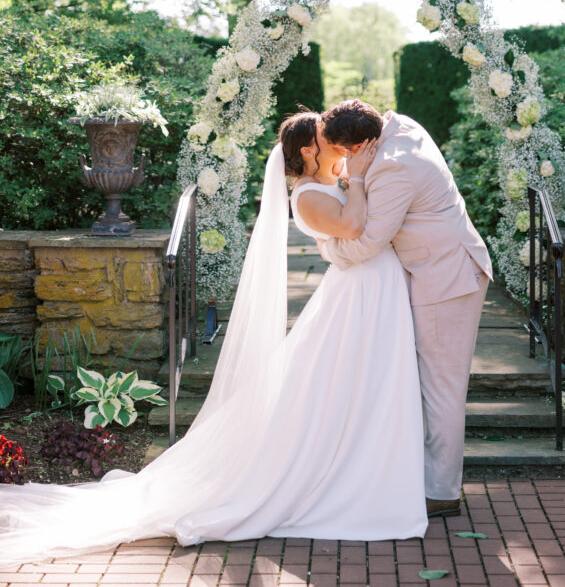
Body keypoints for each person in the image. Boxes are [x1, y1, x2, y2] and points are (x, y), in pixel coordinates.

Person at [0, 112, 427, 562]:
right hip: (357, 295)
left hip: (372, 290)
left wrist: (360, 171)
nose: (339, 144)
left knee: (369, 385)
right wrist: (357, 179)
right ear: (307, 150)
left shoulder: (338, 177)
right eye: (326, 137)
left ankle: (368, 475)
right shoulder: (306, 197)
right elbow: (356, 226)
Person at [318, 100, 493, 518]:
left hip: (446, 279)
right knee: (423, 381)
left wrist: (326, 244)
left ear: (359, 146)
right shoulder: (399, 124)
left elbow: (368, 242)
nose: (339, 159)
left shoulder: (394, 167)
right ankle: (416, 473)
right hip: (436, 268)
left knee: (442, 386)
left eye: (341, 151)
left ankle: (442, 492)